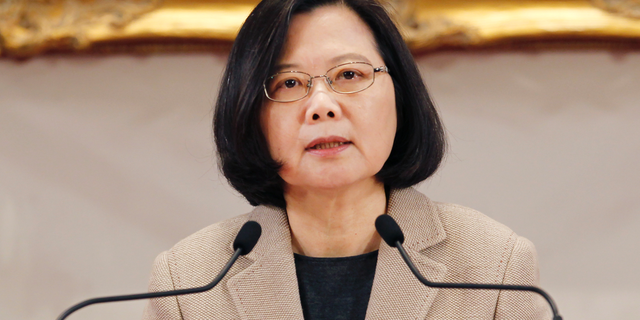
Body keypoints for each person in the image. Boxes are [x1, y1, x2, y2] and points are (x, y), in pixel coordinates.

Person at [143, 0, 550, 319]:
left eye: (350, 75)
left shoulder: (494, 267)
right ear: (250, 114)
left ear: (400, 94)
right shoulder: (189, 283)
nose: (322, 106)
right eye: (289, 83)